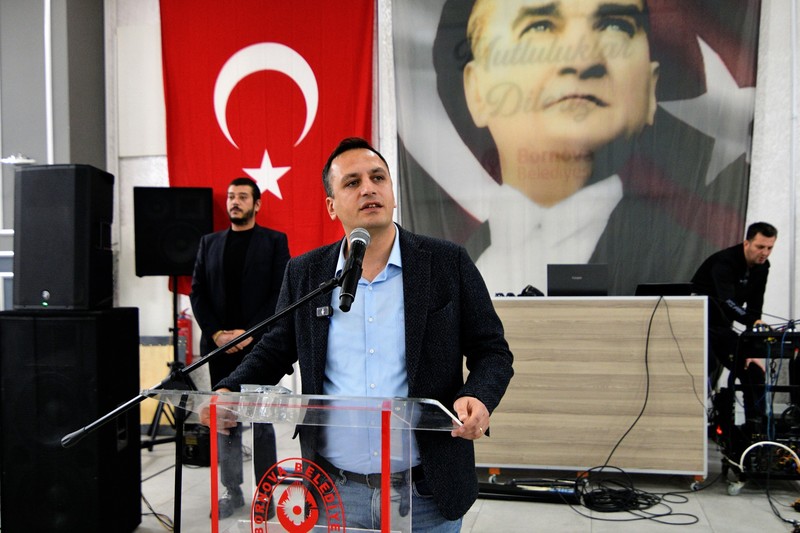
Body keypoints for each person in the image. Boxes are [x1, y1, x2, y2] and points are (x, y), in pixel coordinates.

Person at [210, 137, 514, 531]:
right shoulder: (306, 273)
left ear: (392, 193)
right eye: (352, 182)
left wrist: (479, 396)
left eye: (378, 178)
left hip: (425, 492)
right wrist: (230, 389)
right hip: (332, 490)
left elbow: (492, 350)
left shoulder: (446, 262)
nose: (368, 188)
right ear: (331, 205)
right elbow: (276, 348)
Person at [458, 0, 661, 294]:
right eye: (539, 26)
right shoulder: (454, 269)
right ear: (477, 91)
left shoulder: (678, 251)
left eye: (615, 25)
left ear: (651, 89)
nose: (581, 60)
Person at [190, 176, 291, 518]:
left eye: (242, 196)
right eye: (231, 196)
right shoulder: (209, 243)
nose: (235, 201)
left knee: (261, 422)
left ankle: (265, 493)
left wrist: (250, 333)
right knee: (226, 420)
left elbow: (281, 293)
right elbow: (198, 293)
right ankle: (231, 491)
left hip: (260, 348)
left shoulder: (275, 242)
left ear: (257, 204)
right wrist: (217, 333)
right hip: (219, 348)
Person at [691, 221, 777, 434]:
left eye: (769, 248)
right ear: (747, 243)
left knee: (753, 371)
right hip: (698, 325)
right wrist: (752, 322)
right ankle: (695, 426)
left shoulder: (762, 267)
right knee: (706, 364)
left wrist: (753, 346)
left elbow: (755, 307)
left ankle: (756, 433)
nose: (765, 253)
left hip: (722, 328)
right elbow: (727, 302)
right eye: (760, 247)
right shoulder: (724, 262)